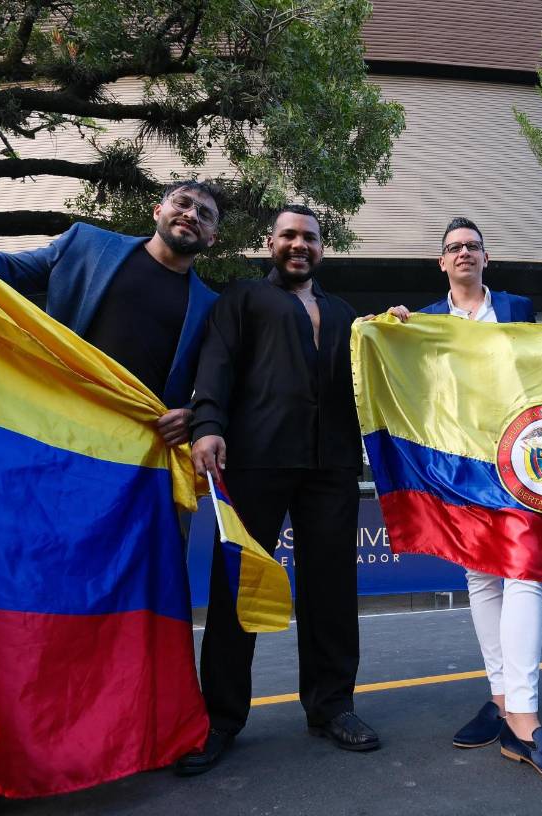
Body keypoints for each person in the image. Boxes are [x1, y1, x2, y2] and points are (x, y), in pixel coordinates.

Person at [0, 182, 224, 815]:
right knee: (23, 610)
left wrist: (193, 412)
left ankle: (156, 735)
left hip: (137, 476)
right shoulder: (84, 244)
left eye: (205, 215)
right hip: (52, 462)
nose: (190, 217)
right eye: (182, 204)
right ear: (157, 211)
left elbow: (221, 382)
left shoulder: (212, 305)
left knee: (143, 614)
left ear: (213, 237)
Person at [180, 204, 378, 776]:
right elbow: (215, 366)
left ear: (323, 247)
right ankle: (219, 718)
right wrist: (208, 425)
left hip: (332, 465)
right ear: (271, 243)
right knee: (237, 587)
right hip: (255, 461)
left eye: (310, 238)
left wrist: (393, 328)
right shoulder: (241, 300)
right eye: (289, 236)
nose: (299, 245)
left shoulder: (344, 313)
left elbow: (378, 375)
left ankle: (332, 706)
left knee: (333, 590)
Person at [417, 217, 542, 786]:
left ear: (485, 258)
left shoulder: (519, 307)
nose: (464, 253)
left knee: (523, 573)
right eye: (454, 249)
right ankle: (500, 699)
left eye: (472, 246)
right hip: (458, 462)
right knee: (481, 578)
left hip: (517, 459)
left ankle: (524, 717)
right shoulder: (422, 320)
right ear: (441, 263)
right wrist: (389, 329)